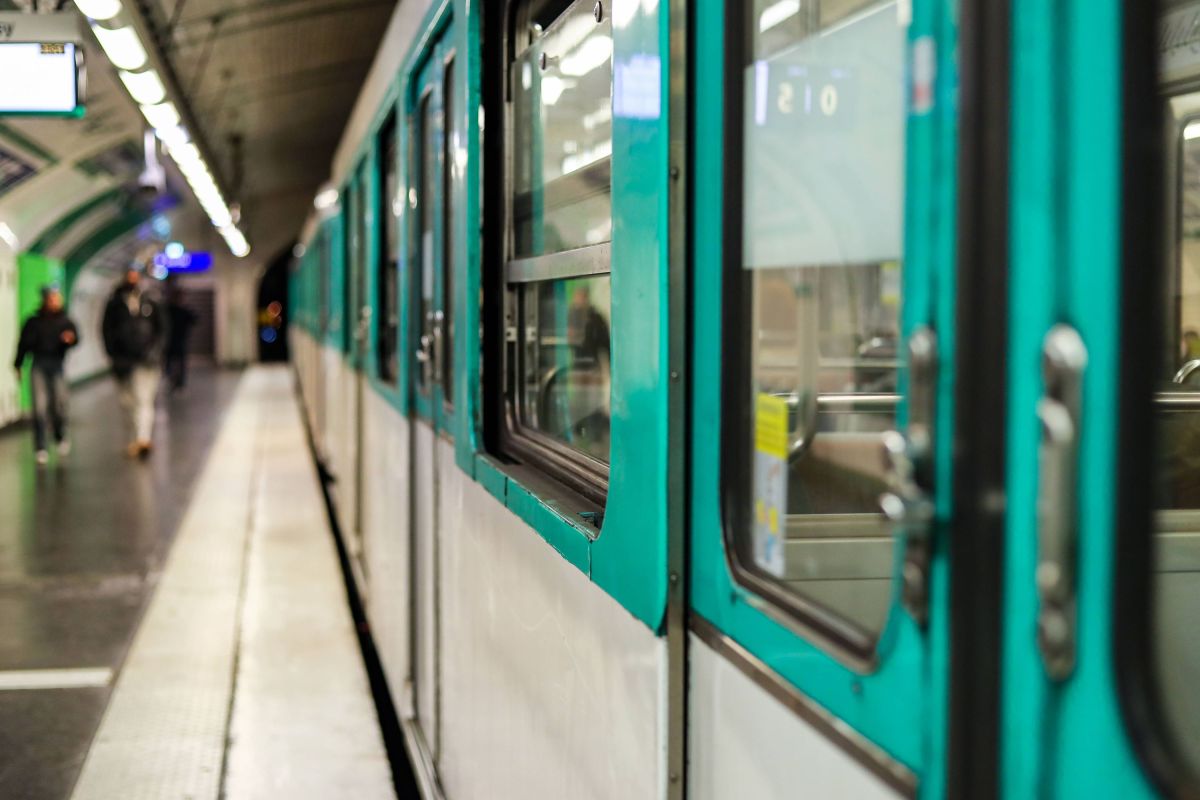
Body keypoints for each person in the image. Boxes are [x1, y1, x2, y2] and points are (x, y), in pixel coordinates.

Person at [103, 268, 166, 458]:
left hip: (147, 361)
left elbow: (162, 329)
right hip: (123, 361)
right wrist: (113, 355)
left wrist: (155, 352)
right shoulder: (114, 304)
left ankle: (142, 439)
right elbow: (106, 331)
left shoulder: (151, 302)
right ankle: (134, 438)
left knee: (143, 400)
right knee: (128, 402)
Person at [12, 286, 79, 465]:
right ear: (45, 300)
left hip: (57, 364)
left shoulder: (65, 321)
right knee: (39, 407)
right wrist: (17, 364)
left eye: (57, 298)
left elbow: (76, 338)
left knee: (58, 404)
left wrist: (70, 340)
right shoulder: (33, 322)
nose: (55, 301)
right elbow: (23, 343)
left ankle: (59, 435)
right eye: (52, 298)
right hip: (38, 364)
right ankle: (41, 446)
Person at [164, 278, 197, 392]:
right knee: (173, 362)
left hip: (177, 340)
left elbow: (194, 320)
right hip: (172, 341)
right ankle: (174, 381)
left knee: (178, 362)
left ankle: (178, 382)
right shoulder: (171, 310)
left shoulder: (176, 310)